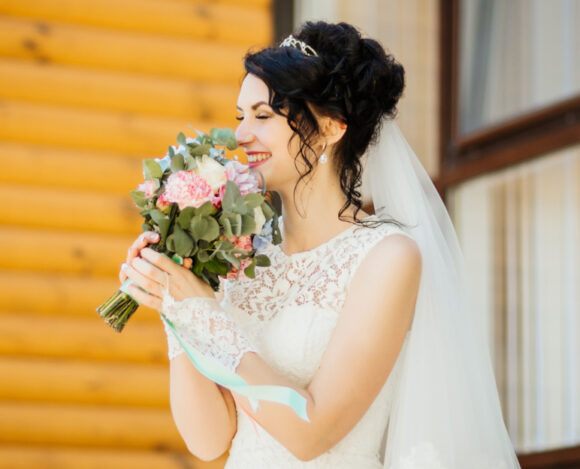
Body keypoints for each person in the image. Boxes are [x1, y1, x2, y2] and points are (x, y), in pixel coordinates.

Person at [119, 21, 521, 469]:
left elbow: (313, 433)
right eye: (240, 116)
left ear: (330, 127)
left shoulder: (387, 257)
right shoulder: (245, 257)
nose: (241, 135)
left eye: (263, 115)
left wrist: (207, 318)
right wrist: (178, 307)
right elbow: (209, 440)